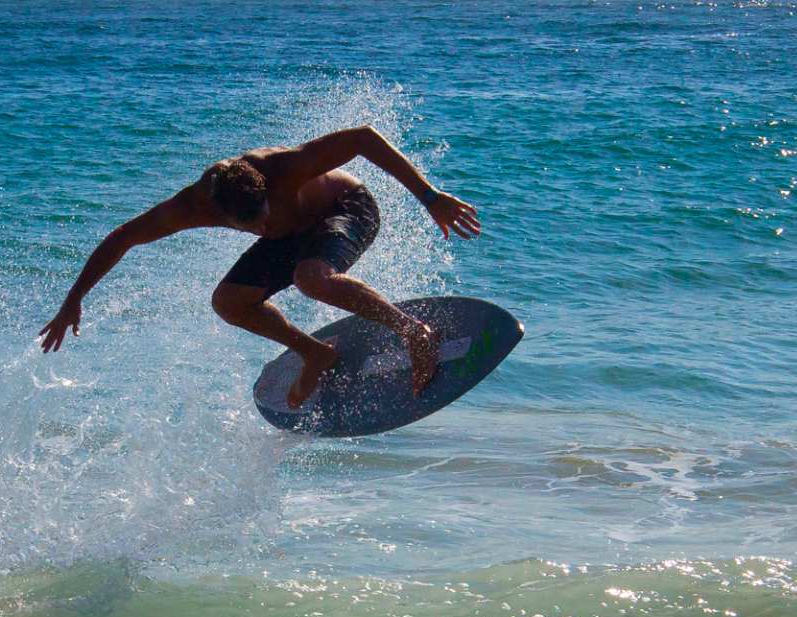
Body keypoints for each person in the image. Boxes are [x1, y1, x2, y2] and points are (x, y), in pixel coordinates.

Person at [38, 126, 481, 407]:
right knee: (229, 302)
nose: (264, 228)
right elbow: (122, 238)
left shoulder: (284, 167)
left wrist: (431, 198)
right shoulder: (193, 206)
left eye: (266, 216)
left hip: (345, 208)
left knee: (311, 278)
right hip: (296, 235)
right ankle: (315, 352)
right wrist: (73, 300)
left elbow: (363, 138)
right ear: (224, 217)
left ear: (267, 191)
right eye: (253, 228)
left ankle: (414, 332)